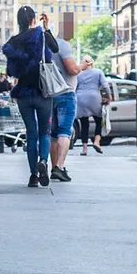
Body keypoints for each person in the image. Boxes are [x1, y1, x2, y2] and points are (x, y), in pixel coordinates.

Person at [1, 6, 60, 187]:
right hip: (43, 91)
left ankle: (33, 175)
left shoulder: (13, 43)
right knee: (45, 131)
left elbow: (11, 71)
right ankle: (44, 160)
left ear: (19, 21)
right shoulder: (41, 36)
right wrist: (47, 27)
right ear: (34, 19)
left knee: (31, 134)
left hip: (24, 94)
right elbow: (55, 49)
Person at [40, 15, 81, 182]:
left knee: (53, 134)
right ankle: (60, 166)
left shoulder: (46, 45)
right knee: (65, 131)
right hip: (65, 92)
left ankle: (53, 166)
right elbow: (72, 70)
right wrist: (83, 66)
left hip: (50, 93)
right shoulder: (63, 45)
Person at [75, 55, 110, 155]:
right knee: (99, 121)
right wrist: (109, 96)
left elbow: (74, 86)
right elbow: (105, 85)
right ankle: (96, 142)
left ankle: (84, 149)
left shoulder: (79, 74)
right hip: (94, 98)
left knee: (84, 124)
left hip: (81, 98)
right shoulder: (98, 72)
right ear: (92, 63)